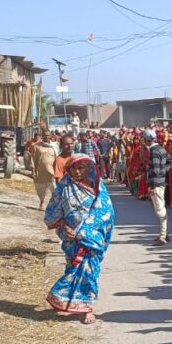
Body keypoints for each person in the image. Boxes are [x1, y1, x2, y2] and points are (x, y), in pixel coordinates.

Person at [44, 154, 113, 324]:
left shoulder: (97, 185)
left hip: (90, 239)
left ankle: (87, 308)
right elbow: (52, 212)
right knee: (72, 269)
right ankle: (66, 301)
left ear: (88, 168)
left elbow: (105, 212)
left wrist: (84, 232)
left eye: (81, 168)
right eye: (73, 168)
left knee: (90, 272)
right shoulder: (64, 186)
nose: (77, 172)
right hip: (70, 240)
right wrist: (64, 227)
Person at [143, 129, 171, 246]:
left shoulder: (154, 151)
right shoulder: (161, 148)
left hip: (157, 184)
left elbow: (154, 170)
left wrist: (152, 185)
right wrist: (164, 171)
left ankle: (163, 236)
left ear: (147, 140)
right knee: (161, 207)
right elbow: (170, 160)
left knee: (160, 210)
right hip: (161, 181)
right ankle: (165, 233)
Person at [31, 131, 59, 210]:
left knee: (54, 189)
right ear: (42, 136)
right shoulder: (37, 147)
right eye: (45, 135)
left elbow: (58, 159)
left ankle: (56, 206)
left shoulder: (54, 146)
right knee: (40, 189)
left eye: (48, 135)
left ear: (50, 136)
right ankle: (41, 202)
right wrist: (33, 170)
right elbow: (34, 159)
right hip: (41, 171)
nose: (46, 137)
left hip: (52, 172)